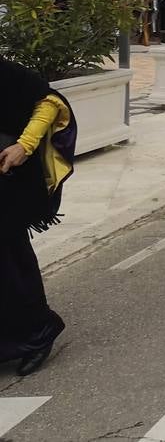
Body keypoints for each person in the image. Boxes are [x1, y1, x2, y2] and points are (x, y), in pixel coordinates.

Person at [0, 58, 75, 376]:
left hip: (7, 176)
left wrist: (24, 146)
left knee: (10, 259)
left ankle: (40, 328)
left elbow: (49, 101)